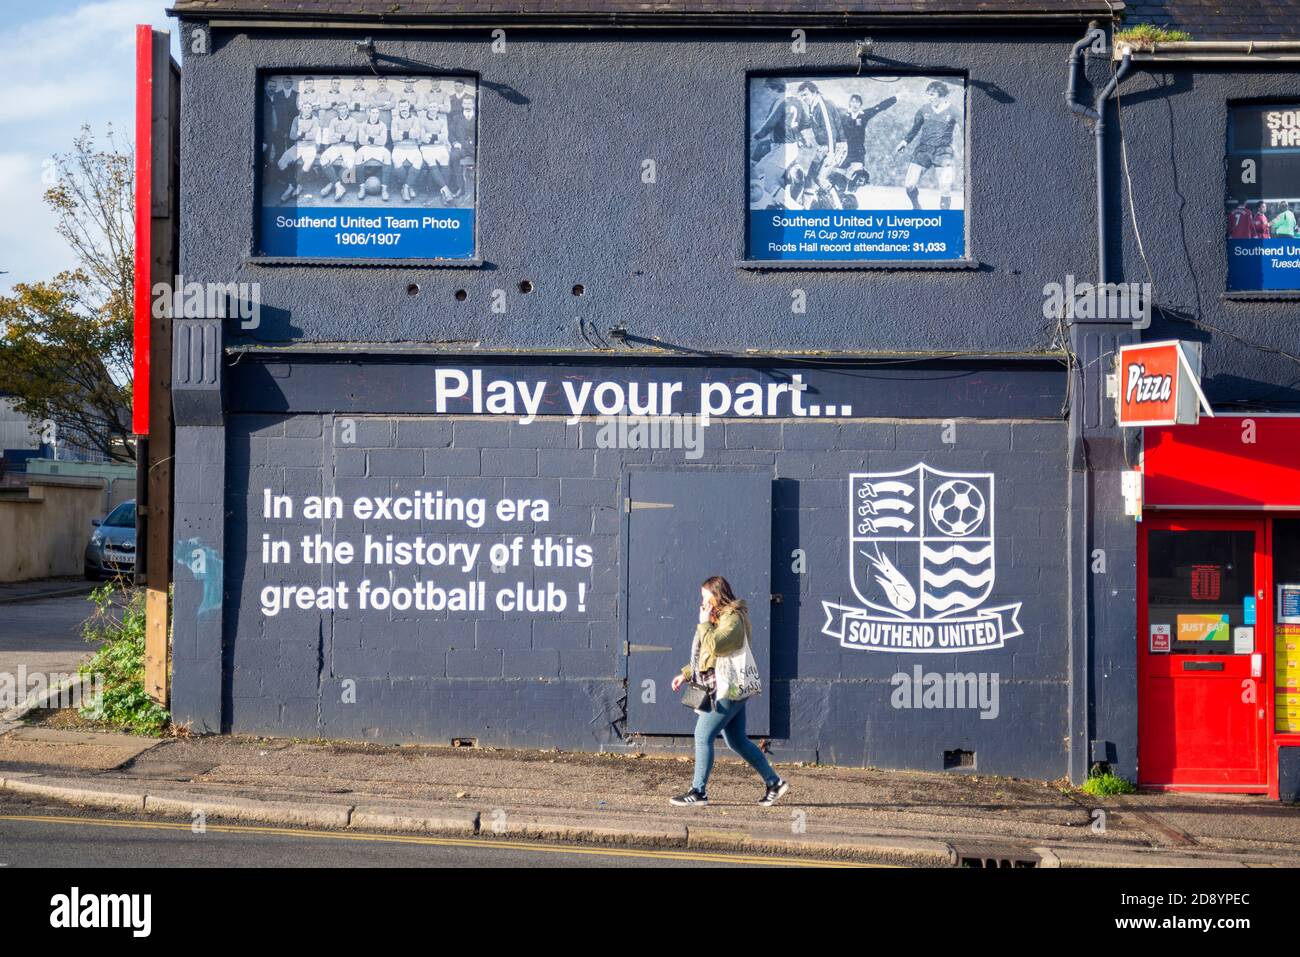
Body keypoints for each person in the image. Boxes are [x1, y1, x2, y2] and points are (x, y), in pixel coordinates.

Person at [669, 576, 789, 808]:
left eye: (706, 597)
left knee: (703, 735)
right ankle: (774, 783)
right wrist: (685, 674)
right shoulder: (720, 618)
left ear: (717, 595)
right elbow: (707, 654)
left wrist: (703, 623)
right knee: (736, 740)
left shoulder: (733, 619)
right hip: (725, 686)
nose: (703, 603)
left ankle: (699, 792)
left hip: (728, 688)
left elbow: (715, 645)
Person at [895, 79, 960, 210]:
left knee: (945, 186)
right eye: (928, 94)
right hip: (923, 150)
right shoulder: (923, 109)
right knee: (909, 185)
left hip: (943, 152)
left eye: (932, 95)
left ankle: (945, 219)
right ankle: (916, 207)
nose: (929, 98)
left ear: (941, 96)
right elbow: (915, 128)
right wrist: (904, 142)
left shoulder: (953, 111)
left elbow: (966, 129)